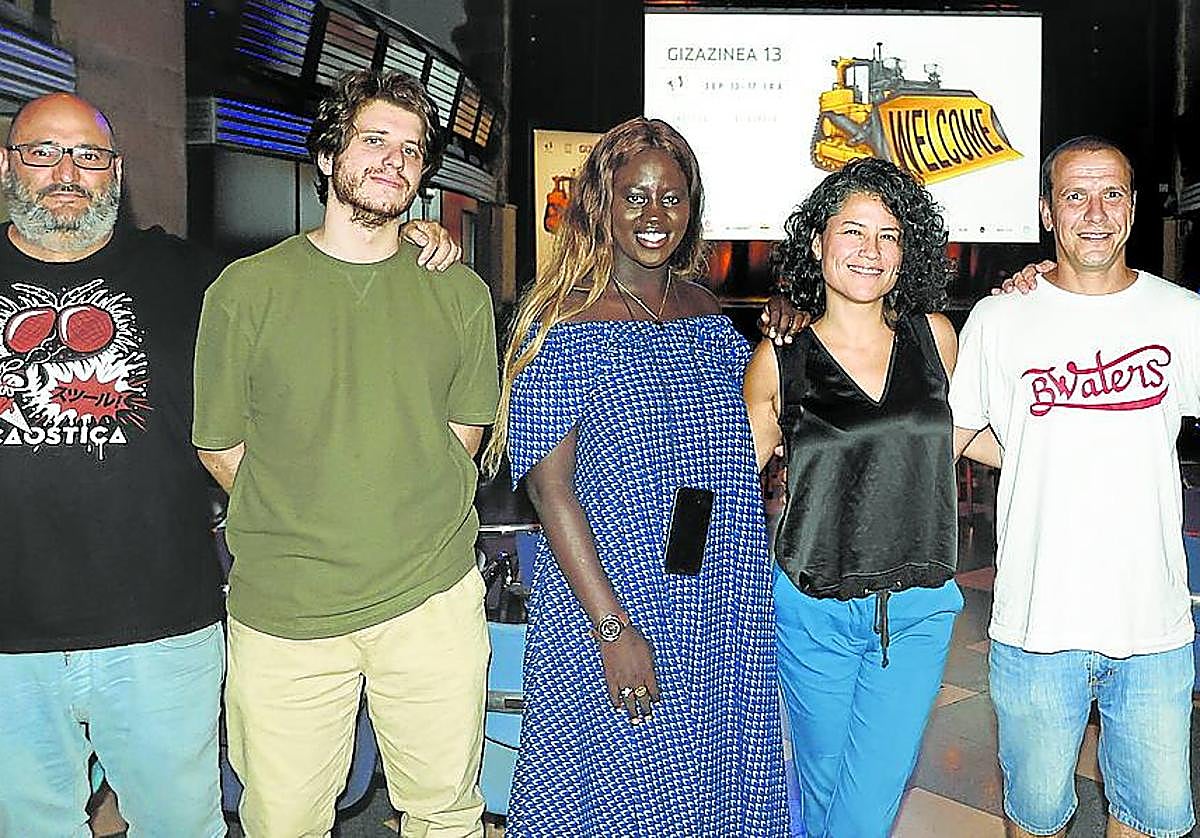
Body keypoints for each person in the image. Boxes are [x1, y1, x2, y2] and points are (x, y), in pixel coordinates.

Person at [0, 91, 462, 837]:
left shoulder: (194, 277)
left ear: (117, 171)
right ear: (6, 163)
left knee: (182, 825)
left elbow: (331, 268)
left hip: (159, 627)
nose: (67, 172)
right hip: (9, 636)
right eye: (43, 152)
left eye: (88, 155)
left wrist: (410, 229)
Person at [192, 68, 497, 837]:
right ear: (328, 157)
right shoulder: (246, 290)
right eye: (374, 140)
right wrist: (305, 512)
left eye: (412, 149)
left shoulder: (458, 294)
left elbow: (463, 436)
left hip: (430, 599)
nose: (395, 159)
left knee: (445, 815)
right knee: (284, 821)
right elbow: (220, 444)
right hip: (286, 611)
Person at [483, 116, 790, 837]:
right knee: (622, 793)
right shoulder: (562, 320)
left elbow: (729, 450)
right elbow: (549, 490)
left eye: (672, 198)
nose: (655, 215)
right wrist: (613, 629)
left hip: (716, 591)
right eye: (636, 196)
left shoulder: (706, 312)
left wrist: (787, 322)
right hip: (614, 591)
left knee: (711, 786)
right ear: (602, 203)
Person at [744, 156, 1000, 838]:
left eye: (888, 235)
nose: (870, 250)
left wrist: (1076, 455)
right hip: (813, 609)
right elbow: (729, 480)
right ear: (818, 242)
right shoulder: (780, 358)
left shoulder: (934, 337)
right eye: (852, 231)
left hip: (917, 608)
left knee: (862, 810)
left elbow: (967, 436)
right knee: (823, 794)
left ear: (904, 253)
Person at [949, 136, 1197, 838]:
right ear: (1046, 210)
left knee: (1150, 819)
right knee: (1035, 819)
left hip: (1152, 626)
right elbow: (954, 436)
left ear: (1134, 207)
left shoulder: (1182, 316)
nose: (1095, 212)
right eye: (1075, 195)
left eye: (1112, 193)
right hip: (1036, 624)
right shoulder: (1000, 318)